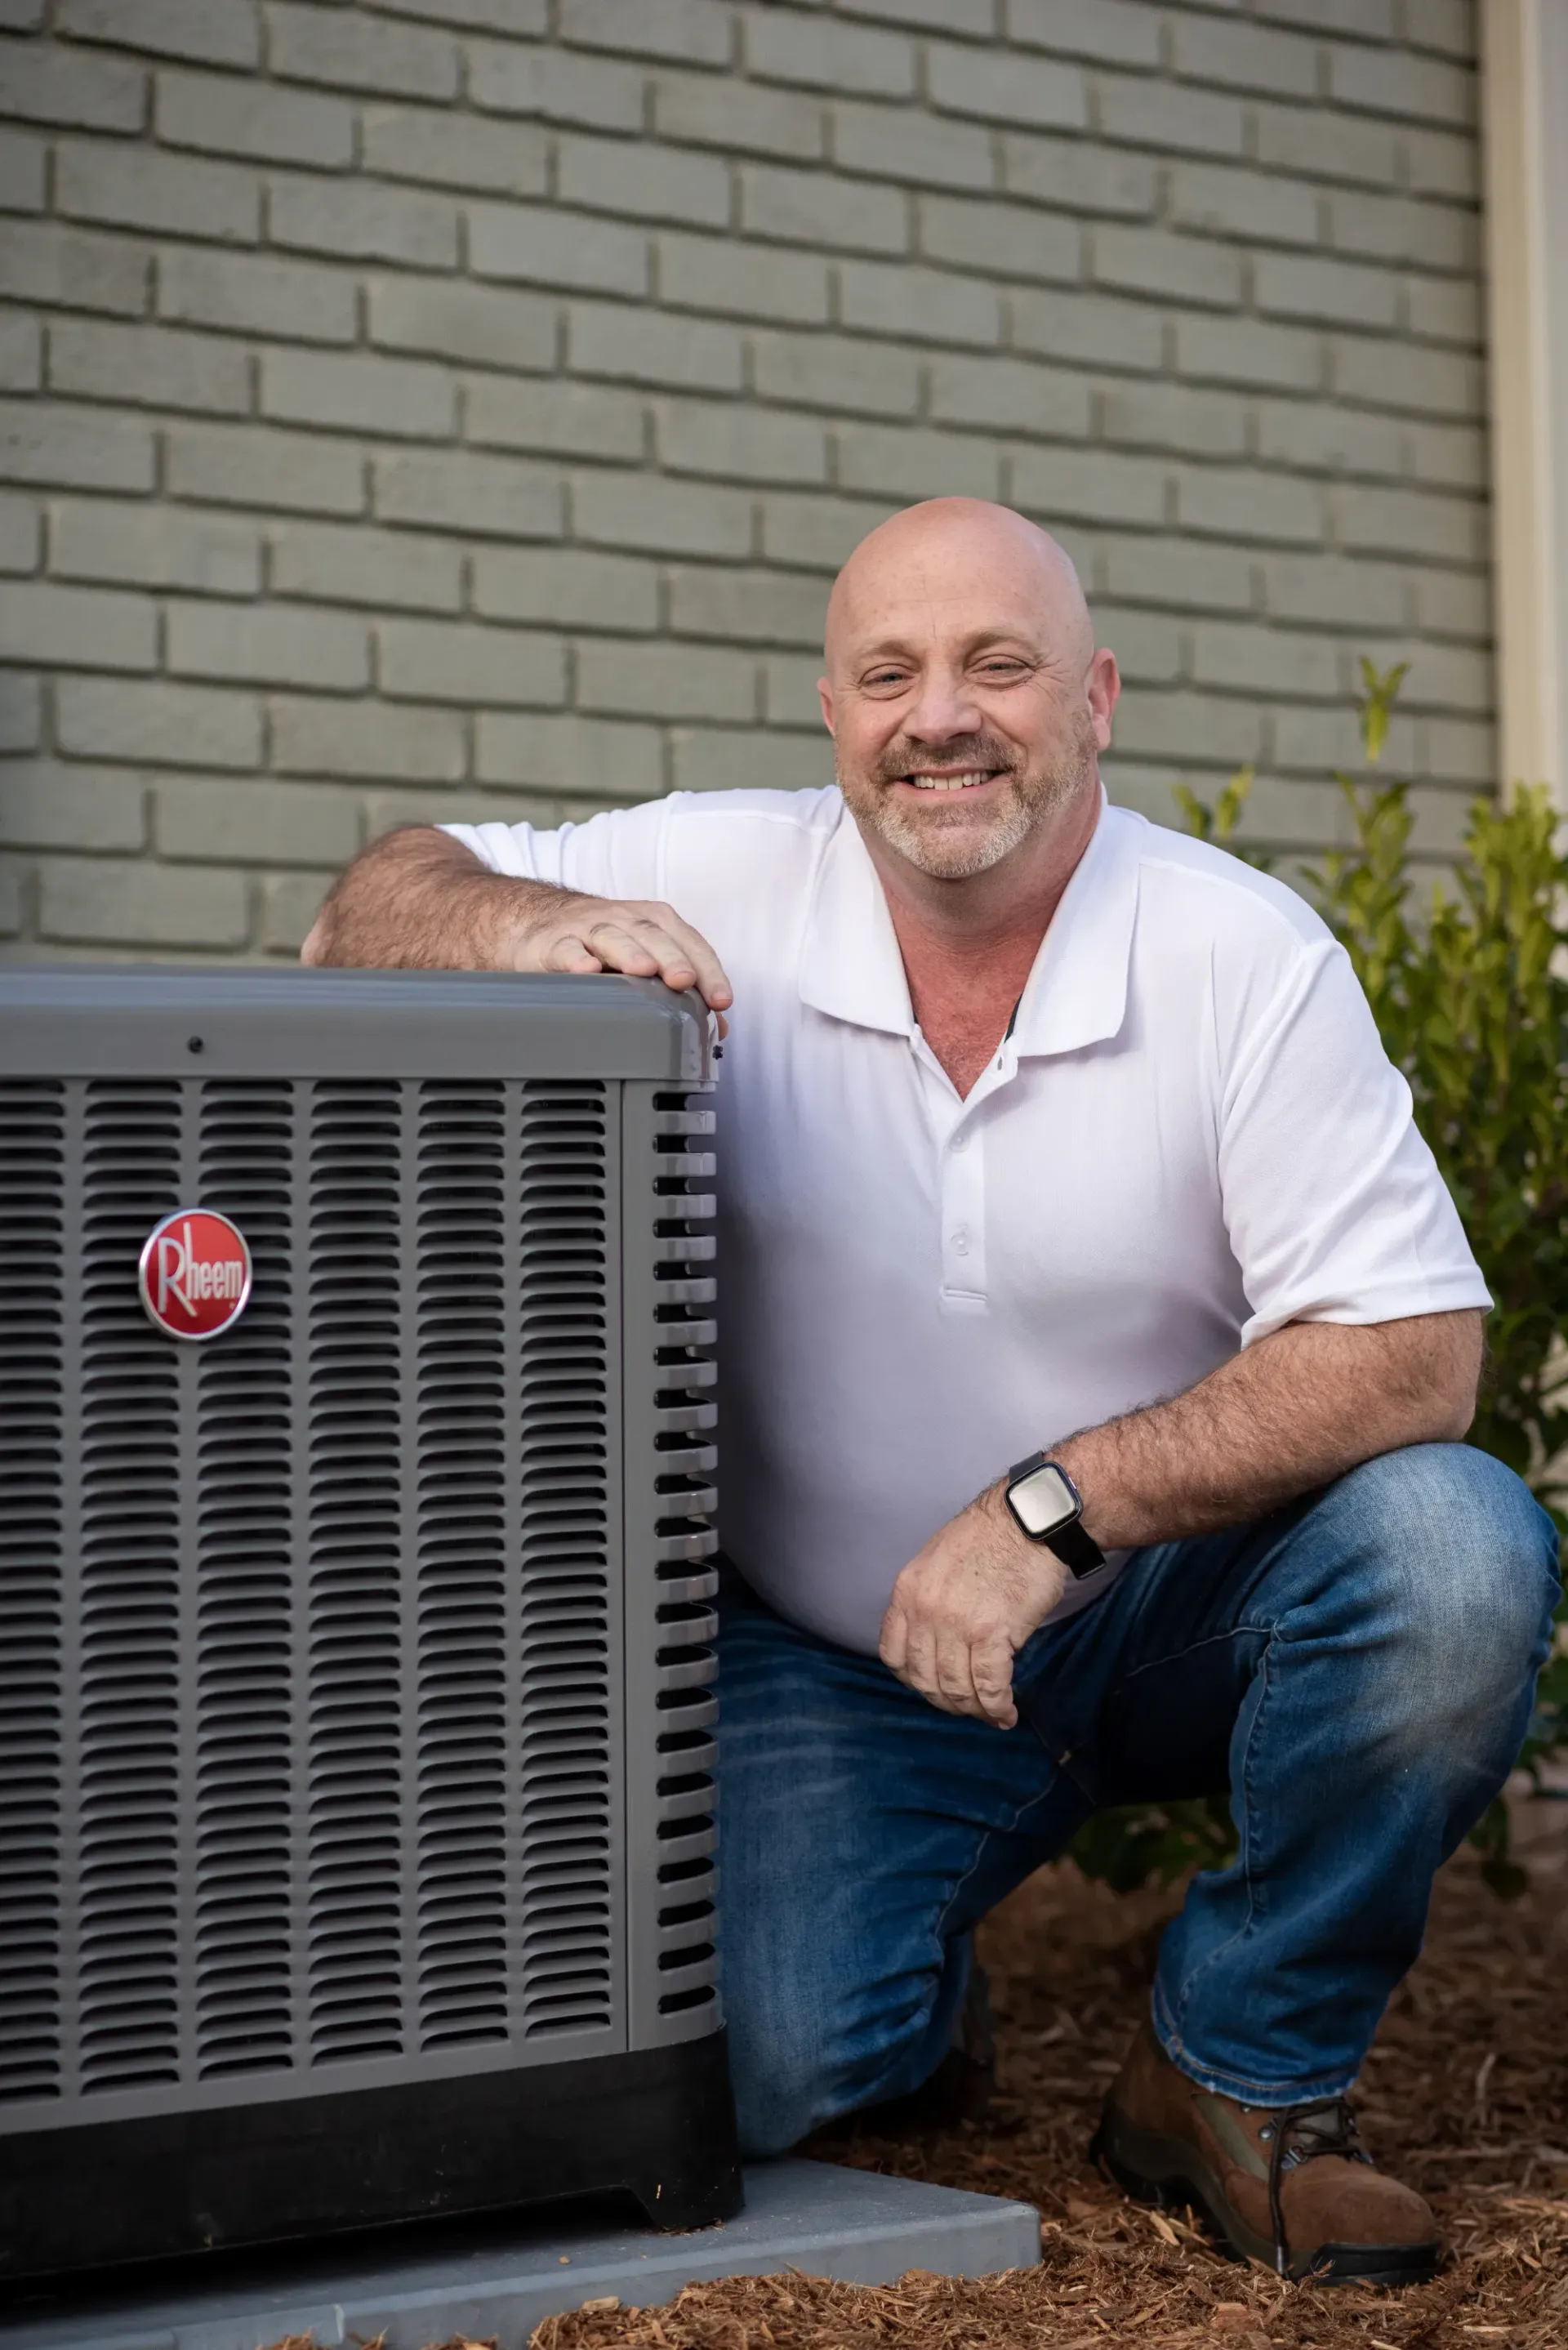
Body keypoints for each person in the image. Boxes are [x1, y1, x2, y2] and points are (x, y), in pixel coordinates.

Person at [305, 497, 1558, 2288]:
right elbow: (371, 901)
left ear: (1099, 698)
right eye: (889, 672)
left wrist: (1053, 1508)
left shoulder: (1240, 954)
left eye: (998, 664)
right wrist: (519, 928)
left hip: (1180, 1606)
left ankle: (1242, 2073)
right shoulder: (719, 872)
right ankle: (928, 1959)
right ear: (833, 713)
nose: (940, 714)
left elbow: (1419, 1351)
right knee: (759, 2066)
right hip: (846, 1651)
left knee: (1456, 1554)